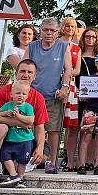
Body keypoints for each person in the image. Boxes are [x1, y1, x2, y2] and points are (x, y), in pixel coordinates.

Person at [0, 59, 49, 190]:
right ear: (16, 74)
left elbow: (39, 126)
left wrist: (39, 148)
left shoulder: (38, 97)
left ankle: (15, 173)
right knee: (1, 127)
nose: (25, 75)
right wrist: (18, 123)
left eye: (29, 72)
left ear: (34, 76)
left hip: (21, 138)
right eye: (22, 71)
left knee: (43, 154)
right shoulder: (3, 91)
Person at [24, 17, 72, 174]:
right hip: (32, 95)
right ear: (40, 31)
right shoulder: (32, 46)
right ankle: (26, 158)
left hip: (53, 95)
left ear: (58, 32)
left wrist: (65, 87)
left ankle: (52, 161)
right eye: (46, 30)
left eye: (52, 30)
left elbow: (68, 70)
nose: (49, 33)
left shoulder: (64, 46)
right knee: (28, 127)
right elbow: (24, 67)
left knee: (53, 130)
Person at [0, 81, 35, 188]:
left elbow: (30, 120)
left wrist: (18, 116)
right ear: (12, 94)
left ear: (27, 95)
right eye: (17, 93)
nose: (20, 96)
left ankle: (20, 178)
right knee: (5, 156)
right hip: (10, 139)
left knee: (23, 161)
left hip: (25, 139)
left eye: (23, 94)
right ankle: (13, 175)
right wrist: (6, 113)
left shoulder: (28, 107)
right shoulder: (8, 105)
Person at [60, 17, 83, 171]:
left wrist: (66, 74)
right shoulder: (55, 43)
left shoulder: (76, 47)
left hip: (71, 86)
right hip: (53, 84)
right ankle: (49, 159)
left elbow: (76, 70)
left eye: (72, 26)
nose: (69, 28)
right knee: (53, 124)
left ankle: (69, 161)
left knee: (71, 126)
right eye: (67, 25)